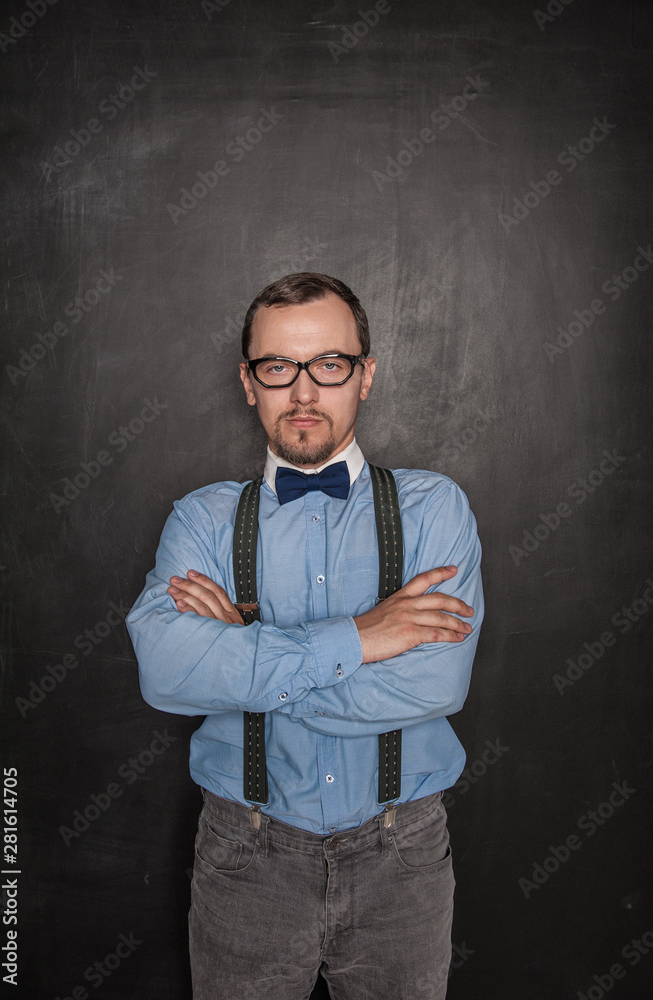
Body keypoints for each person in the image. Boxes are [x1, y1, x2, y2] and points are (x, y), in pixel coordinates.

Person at [126, 272, 484, 1000]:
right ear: (248, 382)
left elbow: (435, 682)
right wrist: (361, 636)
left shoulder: (432, 508)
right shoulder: (200, 520)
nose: (303, 391)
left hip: (402, 855)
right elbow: (165, 674)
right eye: (277, 367)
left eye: (329, 364)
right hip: (244, 856)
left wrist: (243, 661)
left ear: (366, 374)